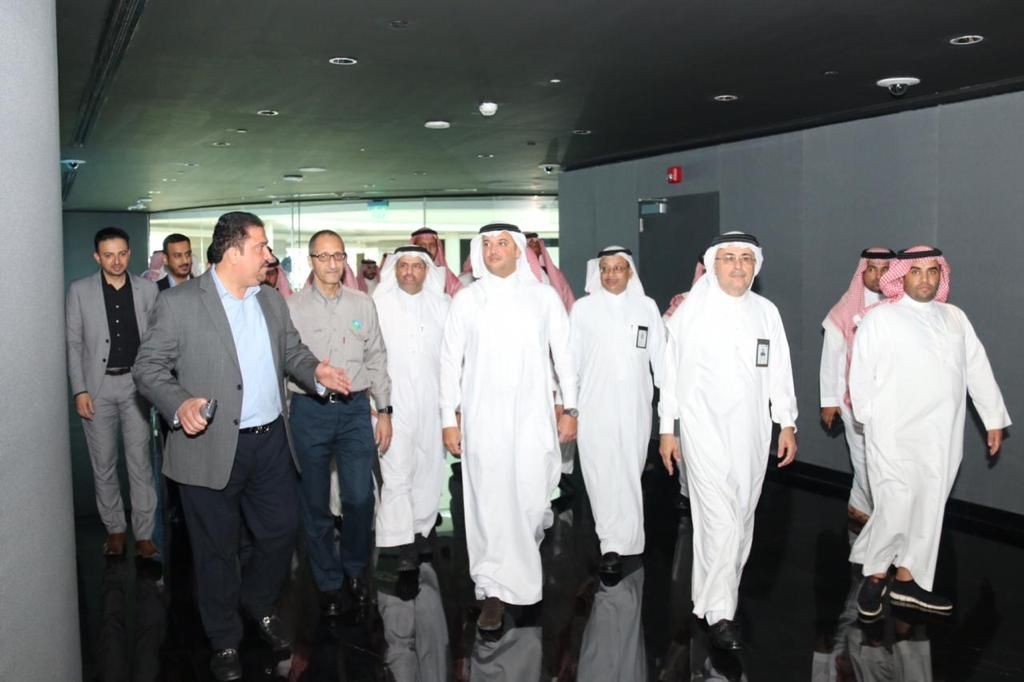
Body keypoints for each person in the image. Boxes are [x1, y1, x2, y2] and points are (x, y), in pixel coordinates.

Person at [133, 211, 353, 681]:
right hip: (209, 446)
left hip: (270, 442)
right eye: (261, 247)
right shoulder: (180, 303)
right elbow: (147, 368)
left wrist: (316, 372)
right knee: (216, 549)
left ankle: (257, 599)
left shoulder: (270, 300)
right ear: (233, 252)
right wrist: (179, 404)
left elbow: (292, 352)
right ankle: (224, 639)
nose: (269, 256)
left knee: (280, 532)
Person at [848, 246, 1010, 618]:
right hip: (893, 431)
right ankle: (875, 576)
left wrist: (993, 419)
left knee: (930, 505)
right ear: (901, 276)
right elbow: (861, 372)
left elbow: (977, 368)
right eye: (916, 271)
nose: (925, 279)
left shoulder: (954, 318)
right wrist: (868, 418)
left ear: (941, 275)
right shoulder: (881, 318)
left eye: (932, 271)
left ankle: (907, 579)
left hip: (941, 433)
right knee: (895, 502)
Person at [658, 232, 798, 651]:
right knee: (722, 519)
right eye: (728, 258)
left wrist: (786, 422)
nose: (738, 266)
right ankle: (722, 614)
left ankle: (709, 597)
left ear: (756, 265)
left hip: (752, 432)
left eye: (745, 259)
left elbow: (779, 370)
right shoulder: (690, 313)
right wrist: (667, 429)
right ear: (713, 265)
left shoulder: (766, 313)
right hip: (702, 429)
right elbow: (670, 375)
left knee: (740, 516)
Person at [440, 223, 578, 631]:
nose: (493, 250)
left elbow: (564, 355)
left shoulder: (543, 297)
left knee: (531, 500)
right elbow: (448, 363)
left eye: (502, 243)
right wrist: (448, 418)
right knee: (487, 502)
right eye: (487, 244)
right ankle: (492, 589)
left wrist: (571, 407)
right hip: (482, 419)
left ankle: (519, 569)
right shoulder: (467, 300)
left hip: (533, 418)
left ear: (519, 251)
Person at [286, 229, 392, 616]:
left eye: (338, 256)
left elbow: (377, 357)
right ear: (311, 261)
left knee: (359, 497)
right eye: (323, 256)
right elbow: (283, 365)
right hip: (309, 411)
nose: (332, 264)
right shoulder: (291, 308)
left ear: (345, 260)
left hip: (354, 411)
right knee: (314, 502)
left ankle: (355, 570)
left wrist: (385, 410)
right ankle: (328, 581)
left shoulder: (362, 303)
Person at [570, 246, 664, 580]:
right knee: (599, 472)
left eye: (618, 268)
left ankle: (629, 540)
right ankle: (610, 542)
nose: (611, 275)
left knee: (628, 470)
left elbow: (661, 359)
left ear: (629, 272)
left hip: (635, 405)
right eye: (605, 269)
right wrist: (569, 406)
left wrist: (671, 408)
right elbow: (571, 362)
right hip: (593, 405)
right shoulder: (583, 309)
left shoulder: (646, 307)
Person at [66, 227, 160, 559]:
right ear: (97, 257)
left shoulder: (148, 290)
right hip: (98, 387)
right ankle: (116, 529)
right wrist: (79, 390)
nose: (116, 261)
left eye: (121, 254)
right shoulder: (79, 291)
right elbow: (73, 344)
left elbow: (157, 339)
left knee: (140, 463)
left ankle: (144, 534)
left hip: (136, 386)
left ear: (129, 253)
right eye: (108, 255)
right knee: (103, 463)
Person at [373, 245, 450, 571]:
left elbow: (452, 359)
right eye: (402, 265)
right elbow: (370, 356)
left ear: (426, 271)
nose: (409, 272)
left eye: (416, 266)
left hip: (433, 401)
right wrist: (375, 404)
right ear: (394, 269)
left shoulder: (443, 305)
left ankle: (422, 529)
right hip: (392, 402)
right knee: (396, 469)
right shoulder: (378, 304)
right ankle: (401, 542)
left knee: (429, 467)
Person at [819, 248, 895, 528]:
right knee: (863, 456)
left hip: (890, 399)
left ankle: (860, 504)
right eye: (871, 269)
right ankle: (874, 512)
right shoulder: (845, 308)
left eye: (884, 269)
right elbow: (831, 357)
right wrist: (829, 400)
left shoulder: (901, 306)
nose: (877, 276)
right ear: (862, 272)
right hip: (852, 398)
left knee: (886, 458)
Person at [524, 232, 575, 311]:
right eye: (529, 242)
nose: (534, 243)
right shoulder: (520, 272)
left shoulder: (554, 273)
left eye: (536, 241)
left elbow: (567, 298)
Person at [411, 226, 462, 296]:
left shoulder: (447, 276)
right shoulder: (406, 273)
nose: (428, 249)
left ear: (438, 248)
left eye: (432, 245)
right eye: (423, 245)